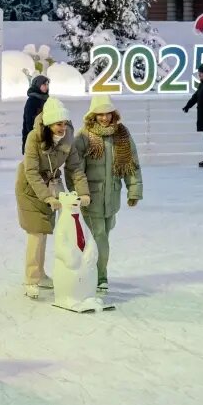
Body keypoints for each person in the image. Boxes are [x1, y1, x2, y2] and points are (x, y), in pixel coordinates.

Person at [15, 96, 90, 299]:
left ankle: (40, 274)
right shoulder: (34, 138)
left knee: (45, 230)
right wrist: (47, 197)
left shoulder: (68, 139)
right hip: (29, 188)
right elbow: (31, 171)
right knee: (36, 232)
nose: (62, 128)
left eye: (64, 123)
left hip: (51, 185)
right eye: (58, 124)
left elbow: (75, 168)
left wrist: (83, 192)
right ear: (48, 124)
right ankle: (31, 279)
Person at [72, 95, 143, 292]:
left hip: (112, 196)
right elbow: (75, 169)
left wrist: (134, 190)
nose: (104, 118)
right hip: (91, 197)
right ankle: (100, 276)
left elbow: (131, 164)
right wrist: (80, 193)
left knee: (104, 234)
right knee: (99, 236)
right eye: (100, 114)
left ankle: (91, 271)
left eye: (108, 113)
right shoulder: (84, 136)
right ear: (93, 115)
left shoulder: (122, 134)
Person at [22, 75, 49, 154]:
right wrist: (36, 137)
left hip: (45, 139)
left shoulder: (46, 99)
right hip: (33, 139)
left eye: (47, 84)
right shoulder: (32, 101)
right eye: (44, 84)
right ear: (38, 85)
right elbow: (29, 122)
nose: (46, 87)